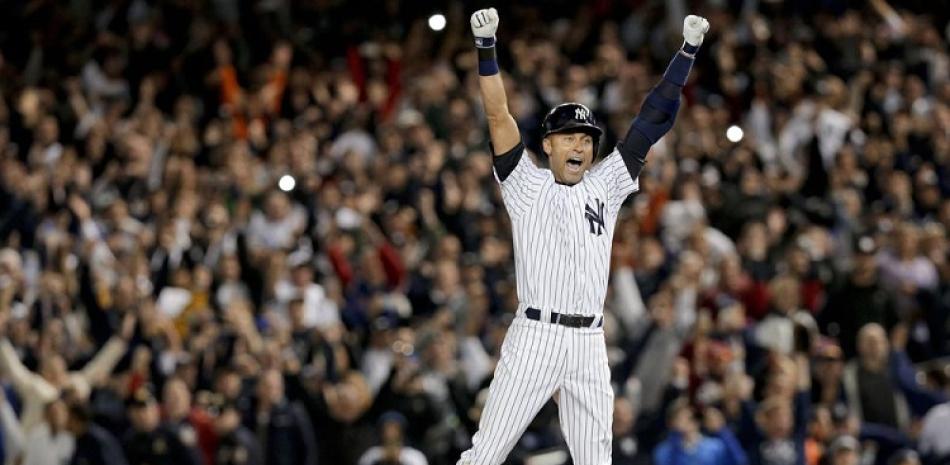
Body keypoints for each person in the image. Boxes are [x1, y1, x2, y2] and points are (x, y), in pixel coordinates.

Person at [457, 7, 710, 465]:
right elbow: (498, 116)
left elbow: (652, 120)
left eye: (586, 138)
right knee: (485, 456)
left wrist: (686, 54)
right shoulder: (524, 183)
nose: (579, 145)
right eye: (569, 136)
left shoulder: (606, 183)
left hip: (590, 342)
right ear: (548, 144)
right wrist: (487, 50)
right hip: (535, 335)